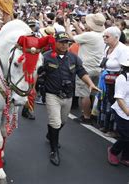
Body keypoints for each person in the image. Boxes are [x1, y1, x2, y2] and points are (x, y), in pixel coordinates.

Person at [40, 32, 100, 166]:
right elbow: (37, 73)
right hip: (52, 94)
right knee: (55, 122)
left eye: (66, 42)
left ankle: (51, 135)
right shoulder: (46, 57)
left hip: (68, 96)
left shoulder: (73, 58)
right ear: (55, 42)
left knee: (62, 121)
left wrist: (90, 84)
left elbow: (82, 71)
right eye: (61, 42)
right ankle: (54, 150)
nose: (64, 44)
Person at [65, 13, 105, 124]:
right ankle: (93, 114)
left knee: (84, 94)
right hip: (98, 68)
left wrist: (68, 26)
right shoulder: (103, 34)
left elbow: (71, 37)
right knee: (93, 93)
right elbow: (84, 37)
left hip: (86, 69)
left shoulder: (90, 35)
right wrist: (77, 27)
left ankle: (86, 116)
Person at [98, 26, 129, 135]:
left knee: (115, 104)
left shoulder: (123, 49)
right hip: (106, 79)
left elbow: (124, 67)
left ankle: (114, 129)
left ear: (116, 37)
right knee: (105, 103)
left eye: (107, 36)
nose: (104, 38)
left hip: (117, 81)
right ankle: (105, 126)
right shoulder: (107, 47)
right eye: (103, 36)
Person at [107, 60, 129, 166]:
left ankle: (126, 157)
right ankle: (113, 151)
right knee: (126, 136)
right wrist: (128, 112)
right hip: (122, 111)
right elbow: (119, 99)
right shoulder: (123, 78)